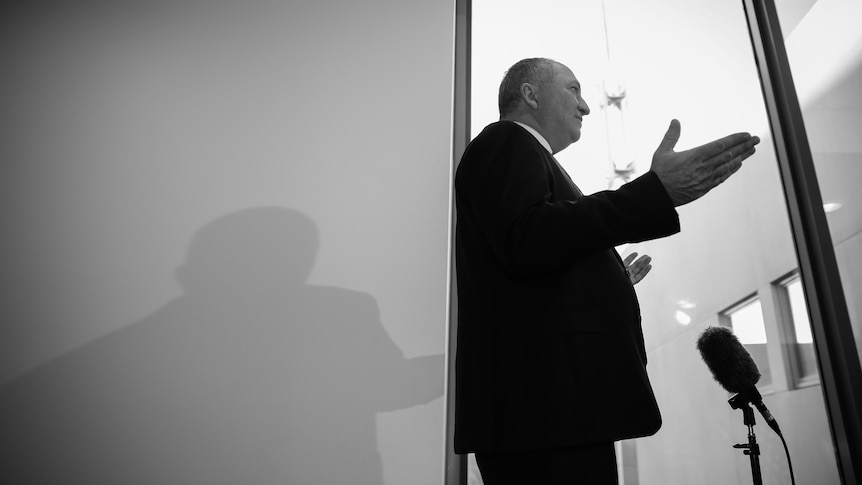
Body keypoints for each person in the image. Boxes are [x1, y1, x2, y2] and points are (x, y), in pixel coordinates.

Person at [453, 58, 760, 484]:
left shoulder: (524, 155)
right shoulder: (505, 141)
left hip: (553, 417)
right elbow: (526, 238)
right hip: (544, 417)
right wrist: (654, 192)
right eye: (573, 90)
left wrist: (600, 279)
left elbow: (534, 249)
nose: (584, 107)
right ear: (529, 94)